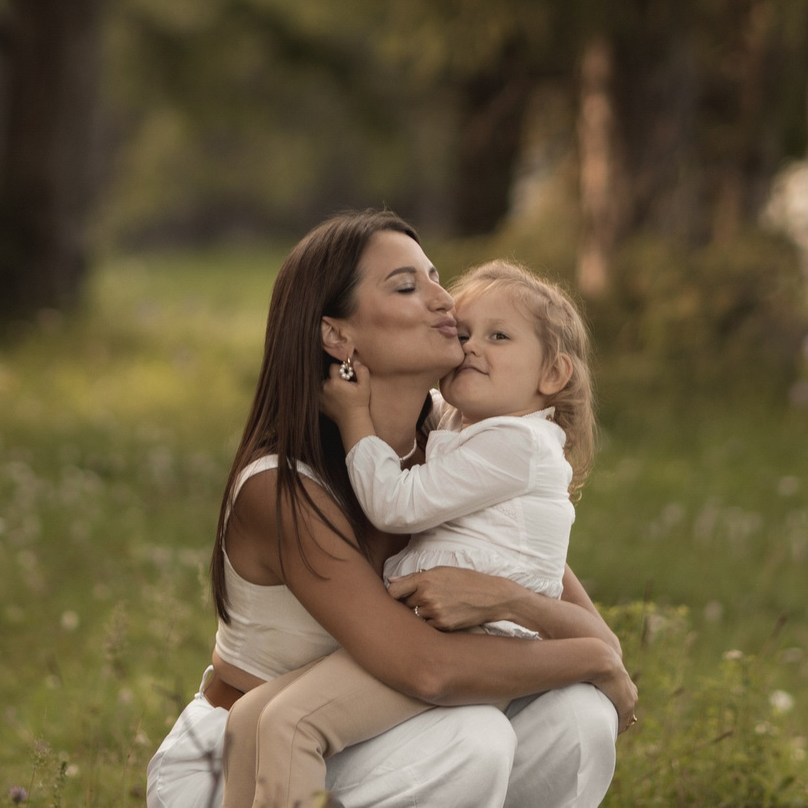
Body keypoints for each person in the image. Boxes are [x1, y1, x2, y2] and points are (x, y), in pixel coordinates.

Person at [144, 211, 630, 808]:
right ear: (337, 338)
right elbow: (428, 669)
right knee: (472, 737)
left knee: (579, 716)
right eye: (406, 286)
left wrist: (508, 601)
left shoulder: (466, 444)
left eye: (434, 277)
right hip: (248, 762)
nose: (442, 300)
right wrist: (592, 659)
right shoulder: (280, 489)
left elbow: (569, 608)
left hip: (387, 729)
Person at [226, 261, 594, 808]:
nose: (469, 346)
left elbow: (395, 506)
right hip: (443, 637)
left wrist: (354, 417)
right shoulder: (467, 426)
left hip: (475, 644)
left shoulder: (514, 446)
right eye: (465, 333)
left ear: (553, 375)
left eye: (498, 336)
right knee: (251, 716)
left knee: (288, 724)